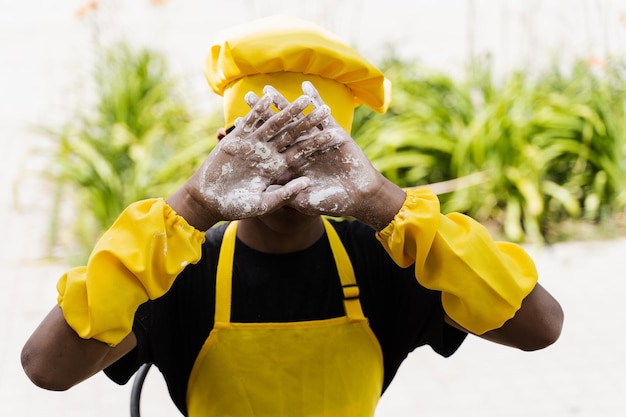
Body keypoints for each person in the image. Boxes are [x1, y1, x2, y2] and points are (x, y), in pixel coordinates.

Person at [21, 15, 563, 417]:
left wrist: (381, 202)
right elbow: (47, 368)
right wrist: (191, 206)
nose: (287, 173)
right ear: (224, 148)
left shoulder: (385, 258)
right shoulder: (177, 271)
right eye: (261, 145)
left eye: (313, 149)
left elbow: (540, 327)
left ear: (348, 154)